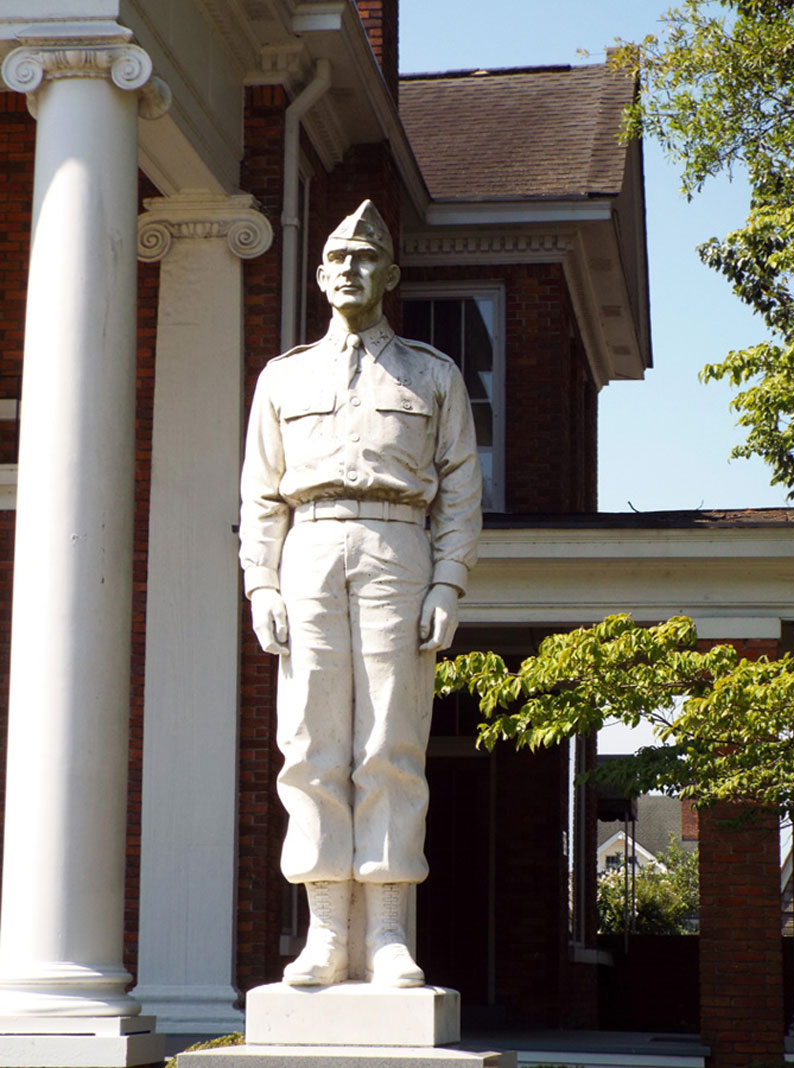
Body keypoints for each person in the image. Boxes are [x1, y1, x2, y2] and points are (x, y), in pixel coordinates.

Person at [239, 200, 482, 988]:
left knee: (389, 738)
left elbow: (461, 492)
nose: (350, 269)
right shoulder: (284, 377)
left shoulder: (432, 374)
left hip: (396, 544)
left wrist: (447, 580)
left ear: (391, 274)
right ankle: (324, 933)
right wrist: (262, 582)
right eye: (338, 257)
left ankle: (385, 932)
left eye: (366, 258)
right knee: (310, 742)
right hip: (309, 545)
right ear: (319, 276)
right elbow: (260, 495)